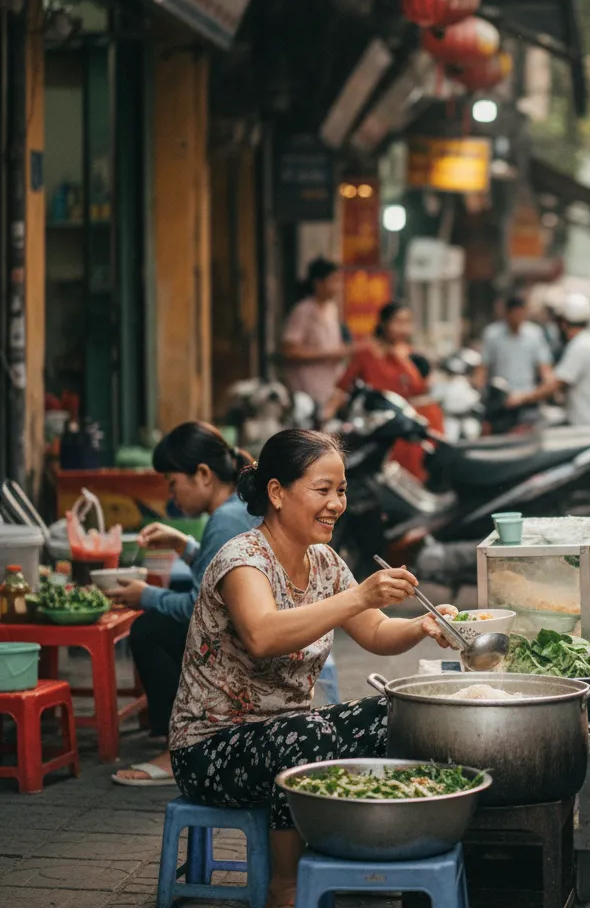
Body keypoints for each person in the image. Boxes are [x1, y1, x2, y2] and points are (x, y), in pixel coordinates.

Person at [169, 429, 451, 908]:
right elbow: (262, 635)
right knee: (307, 736)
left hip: (289, 733)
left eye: (340, 490)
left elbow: (377, 633)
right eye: (321, 490)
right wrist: (359, 595)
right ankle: (287, 885)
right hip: (211, 749)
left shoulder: (324, 562)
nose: (335, 504)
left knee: (401, 711)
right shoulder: (243, 560)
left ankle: (366, 851)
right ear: (277, 493)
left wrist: (424, 624)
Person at [111, 423, 260, 787]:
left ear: (203, 475)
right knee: (157, 622)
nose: (171, 494)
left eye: (173, 482)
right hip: (252, 627)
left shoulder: (225, 519)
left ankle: (176, 746)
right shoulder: (237, 507)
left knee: (149, 629)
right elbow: (223, 577)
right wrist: (183, 544)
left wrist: (144, 594)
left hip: (243, 643)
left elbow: (200, 604)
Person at [324, 301, 443, 482]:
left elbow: (419, 388)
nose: (403, 328)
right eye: (398, 322)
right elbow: (343, 387)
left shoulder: (409, 354)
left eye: (407, 322)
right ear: (383, 323)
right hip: (380, 427)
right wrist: (326, 415)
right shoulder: (365, 352)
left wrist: (403, 359)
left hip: (408, 426)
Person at [507, 293, 590, 426]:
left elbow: (554, 385)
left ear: (564, 324)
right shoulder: (587, 341)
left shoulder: (580, 346)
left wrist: (521, 397)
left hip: (588, 424)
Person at [280, 258, 349, 406]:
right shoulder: (303, 310)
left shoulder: (332, 308)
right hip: (307, 384)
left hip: (329, 382)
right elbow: (289, 350)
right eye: (333, 281)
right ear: (319, 283)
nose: (338, 286)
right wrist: (328, 354)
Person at [473, 294, 554, 395]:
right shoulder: (493, 334)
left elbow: (544, 366)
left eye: (520, 314)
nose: (517, 318)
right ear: (507, 313)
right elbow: (483, 365)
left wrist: (548, 386)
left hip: (527, 394)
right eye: (514, 314)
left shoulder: (535, 334)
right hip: (499, 394)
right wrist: (478, 388)